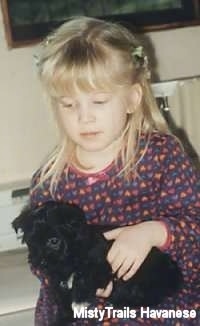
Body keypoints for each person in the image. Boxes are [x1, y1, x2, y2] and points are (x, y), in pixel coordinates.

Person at [29, 16, 199, 326]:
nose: (85, 117)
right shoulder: (50, 181)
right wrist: (73, 278)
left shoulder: (162, 156)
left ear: (133, 99)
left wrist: (153, 232)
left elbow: (195, 224)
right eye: (69, 105)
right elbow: (39, 255)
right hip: (84, 306)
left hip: (160, 299)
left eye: (99, 101)